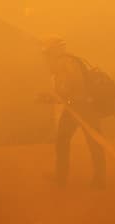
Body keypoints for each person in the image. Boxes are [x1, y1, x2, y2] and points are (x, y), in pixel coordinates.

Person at [39, 37, 106, 189]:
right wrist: (54, 97)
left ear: (54, 50)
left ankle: (98, 179)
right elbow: (67, 88)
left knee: (92, 141)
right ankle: (63, 176)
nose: (46, 56)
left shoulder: (64, 62)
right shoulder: (68, 61)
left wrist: (56, 96)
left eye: (47, 52)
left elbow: (71, 85)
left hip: (82, 107)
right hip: (78, 106)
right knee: (66, 140)